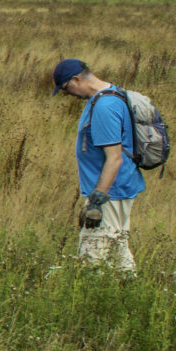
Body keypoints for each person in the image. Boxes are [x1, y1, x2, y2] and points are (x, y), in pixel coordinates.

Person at [52, 59, 145, 272]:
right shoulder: (111, 94)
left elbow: (114, 158)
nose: (68, 95)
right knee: (118, 250)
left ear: (76, 79)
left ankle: (91, 301)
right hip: (119, 189)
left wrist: (96, 202)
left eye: (66, 88)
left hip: (110, 193)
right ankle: (127, 293)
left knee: (91, 257)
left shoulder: (103, 106)